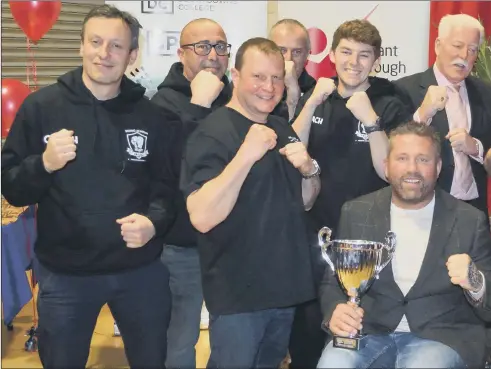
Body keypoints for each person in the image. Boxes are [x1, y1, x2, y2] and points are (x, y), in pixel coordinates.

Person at [1, 5, 179, 368]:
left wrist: (153, 223)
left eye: (116, 46)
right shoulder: (42, 107)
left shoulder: (150, 115)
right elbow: (13, 189)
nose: (104, 53)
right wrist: (44, 164)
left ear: (131, 55)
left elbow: (167, 188)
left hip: (138, 272)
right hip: (65, 275)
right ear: (81, 46)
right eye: (96, 42)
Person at [180, 37, 321, 368]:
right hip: (239, 295)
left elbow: (305, 201)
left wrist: (309, 171)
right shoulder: (212, 132)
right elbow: (201, 216)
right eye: (258, 76)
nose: (269, 87)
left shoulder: (280, 126)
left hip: (283, 289)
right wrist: (245, 156)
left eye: (276, 78)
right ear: (236, 75)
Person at [317, 121, 491, 369]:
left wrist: (475, 281)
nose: (412, 169)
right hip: (367, 331)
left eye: (423, 160)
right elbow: (332, 281)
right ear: (386, 166)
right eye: (402, 158)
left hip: (440, 337)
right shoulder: (356, 212)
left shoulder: (469, 219)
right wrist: (335, 311)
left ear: (438, 167)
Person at [290, 19, 411, 368]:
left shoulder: (389, 103)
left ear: (375, 60)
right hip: (317, 228)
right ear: (332, 54)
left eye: (364, 55)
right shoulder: (317, 97)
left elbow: (389, 171)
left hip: (367, 235)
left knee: (361, 325)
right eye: (346, 52)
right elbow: (293, 153)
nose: (353, 62)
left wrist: (371, 121)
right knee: (311, 322)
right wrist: (311, 104)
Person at [150, 18, 232, 369]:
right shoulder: (161, 103)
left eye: (220, 46)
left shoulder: (236, 98)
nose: (212, 55)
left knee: (230, 338)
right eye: (202, 47)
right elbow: (173, 166)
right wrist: (198, 105)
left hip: (230, 242)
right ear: (181, 53)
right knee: (179, 338)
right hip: (181, 245)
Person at [395, 14, 491, 214]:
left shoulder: (485, 93)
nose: (464, 55)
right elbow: (392, 150)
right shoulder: (404, 89)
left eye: (472, 50)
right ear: (438, 45)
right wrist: (422, 114)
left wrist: (476, 147)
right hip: (424, 208)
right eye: (457, 46)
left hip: (473, 210)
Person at [269, 18, 317, 121]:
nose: (289, 59)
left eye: (297, 52)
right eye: (282, 50)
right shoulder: (254, 87)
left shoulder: (315, 93)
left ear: (307, 55)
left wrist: (293, 95)